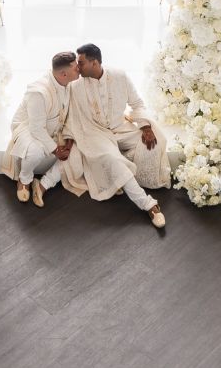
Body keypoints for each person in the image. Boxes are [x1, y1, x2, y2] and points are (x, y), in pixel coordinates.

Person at [37, 42, 167, 228]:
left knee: (154, 143)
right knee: (112, 159)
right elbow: (71, 116)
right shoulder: (75, 86)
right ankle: (149, 205)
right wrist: (70, 140)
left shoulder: (120, 76)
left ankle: (117, 177)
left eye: (81, 63)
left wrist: (146, 127)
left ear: (95, 63)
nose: (77, 67)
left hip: (120, 127)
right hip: (95, 132)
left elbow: (137, 103)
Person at [0, 51, 78, 205]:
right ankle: (24, 179)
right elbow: (36, 129)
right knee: (36, 151)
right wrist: (56, 150)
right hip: (28, 127)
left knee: (77, 149)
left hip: (55, 127)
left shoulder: (68, 82)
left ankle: (43, 184)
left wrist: (69, 140)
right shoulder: (39, 92)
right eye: (75, 68)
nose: (78, 69)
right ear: (63, 74)